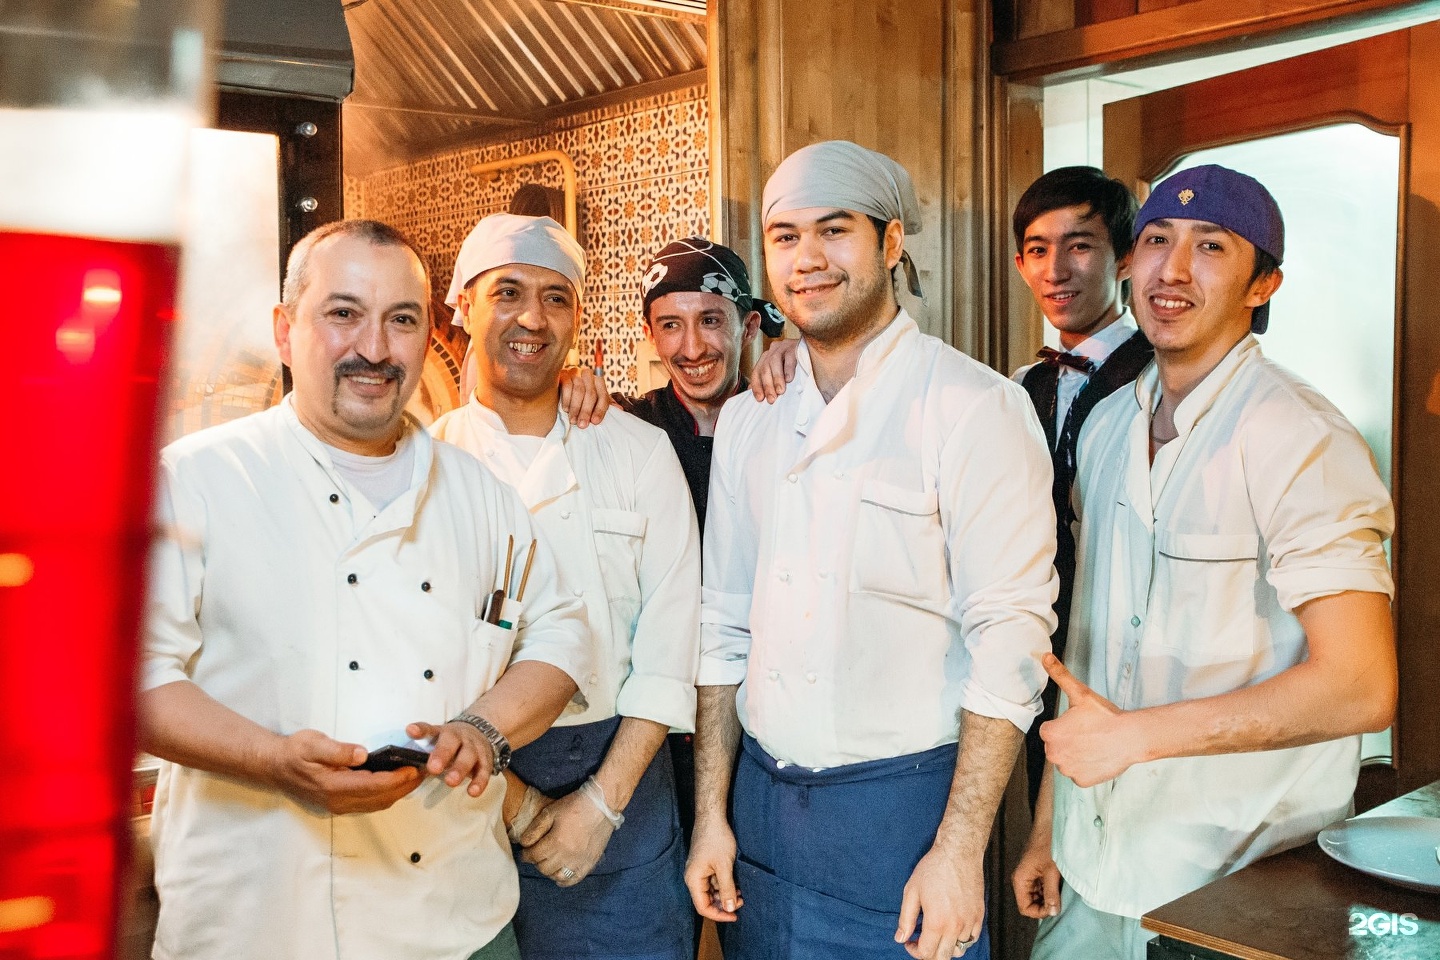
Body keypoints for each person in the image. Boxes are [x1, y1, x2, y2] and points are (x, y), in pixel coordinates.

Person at [139, 219, 592, 960]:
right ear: (285, 331)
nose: (374, 349)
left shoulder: (481, 494)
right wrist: (271, 760)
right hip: (257, 928)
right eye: (344, 313)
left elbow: (562, 635)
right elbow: (126, 682)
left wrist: (482, 729)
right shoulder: (195, 480)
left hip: (455, 922)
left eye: (401, 320)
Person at [1013, 164, 1397, 960]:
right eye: (1157, 240)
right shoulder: (1108, 426)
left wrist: (1140, 738)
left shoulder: (1301, 436)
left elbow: (1362, 685)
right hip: (1092, 867)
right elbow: (1088, 647)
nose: (1173, 269)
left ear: (1263, 284)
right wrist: (1048, 829)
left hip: (1230, 886)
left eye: (1211, 246)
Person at [686, 140, 1059, 960]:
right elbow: (723, 626)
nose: (807, 259)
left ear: (891, 242)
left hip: (900, 818)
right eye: (785, 237)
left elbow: (1012, 647)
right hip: (759, 818)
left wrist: (959, 851)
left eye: (835, 231)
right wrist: (711, 814)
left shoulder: (974, 407)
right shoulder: (750, 418)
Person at [431, 213, 702, 960]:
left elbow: (671, 652)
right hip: (465, 792)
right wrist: (515, 804)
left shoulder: (638, 452)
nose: (532, 317)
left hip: (623, 783)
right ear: (464, 307)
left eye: (556, 298)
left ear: (577, 317)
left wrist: (600, 806)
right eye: (507, 292)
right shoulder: (426, 465)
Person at [1008, 166, 1153, 811]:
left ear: (1123, 258)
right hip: (1045, 648)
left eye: (1080, 245)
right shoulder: (1020, 387)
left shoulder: (1159, 373)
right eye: (1038, 250)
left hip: (1133, 645)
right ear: (1020, 265)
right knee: (1051, 825)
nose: (1057, 270)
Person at [615, 236, 786, 536]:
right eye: (671, 325)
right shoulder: (627, 423)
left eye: (710, 321)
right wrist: (567, 384)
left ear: (748, 328)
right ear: (651, 335)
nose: (693, 350)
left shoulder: (780, 421)